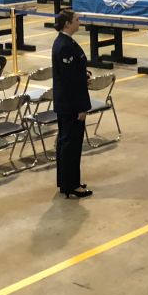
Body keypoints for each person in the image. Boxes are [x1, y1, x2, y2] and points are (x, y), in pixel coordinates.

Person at [51, 10, 93, 199]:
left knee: (66, 142)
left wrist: (83, 75)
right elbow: (70, 82)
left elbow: (72, 71)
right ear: (67, 24)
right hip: (71, 105)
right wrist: (81, 107)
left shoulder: (67, 42)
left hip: (66, 103)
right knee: (71, 145)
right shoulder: (65, 46)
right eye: (76, 20)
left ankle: (66, 182)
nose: (79, 22)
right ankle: (72, 185)